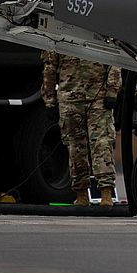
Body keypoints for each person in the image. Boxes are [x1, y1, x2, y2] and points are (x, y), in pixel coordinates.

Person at [41, 50, 123, 207]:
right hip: (70, 99)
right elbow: (49, 66)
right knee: (75, 147)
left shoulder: (102, 30)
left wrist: (112, 91)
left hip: (98, 98)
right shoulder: (58, 31)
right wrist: (49, 100)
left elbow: (115, 59)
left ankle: (106, 192)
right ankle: (81, 194)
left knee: (102, 144)